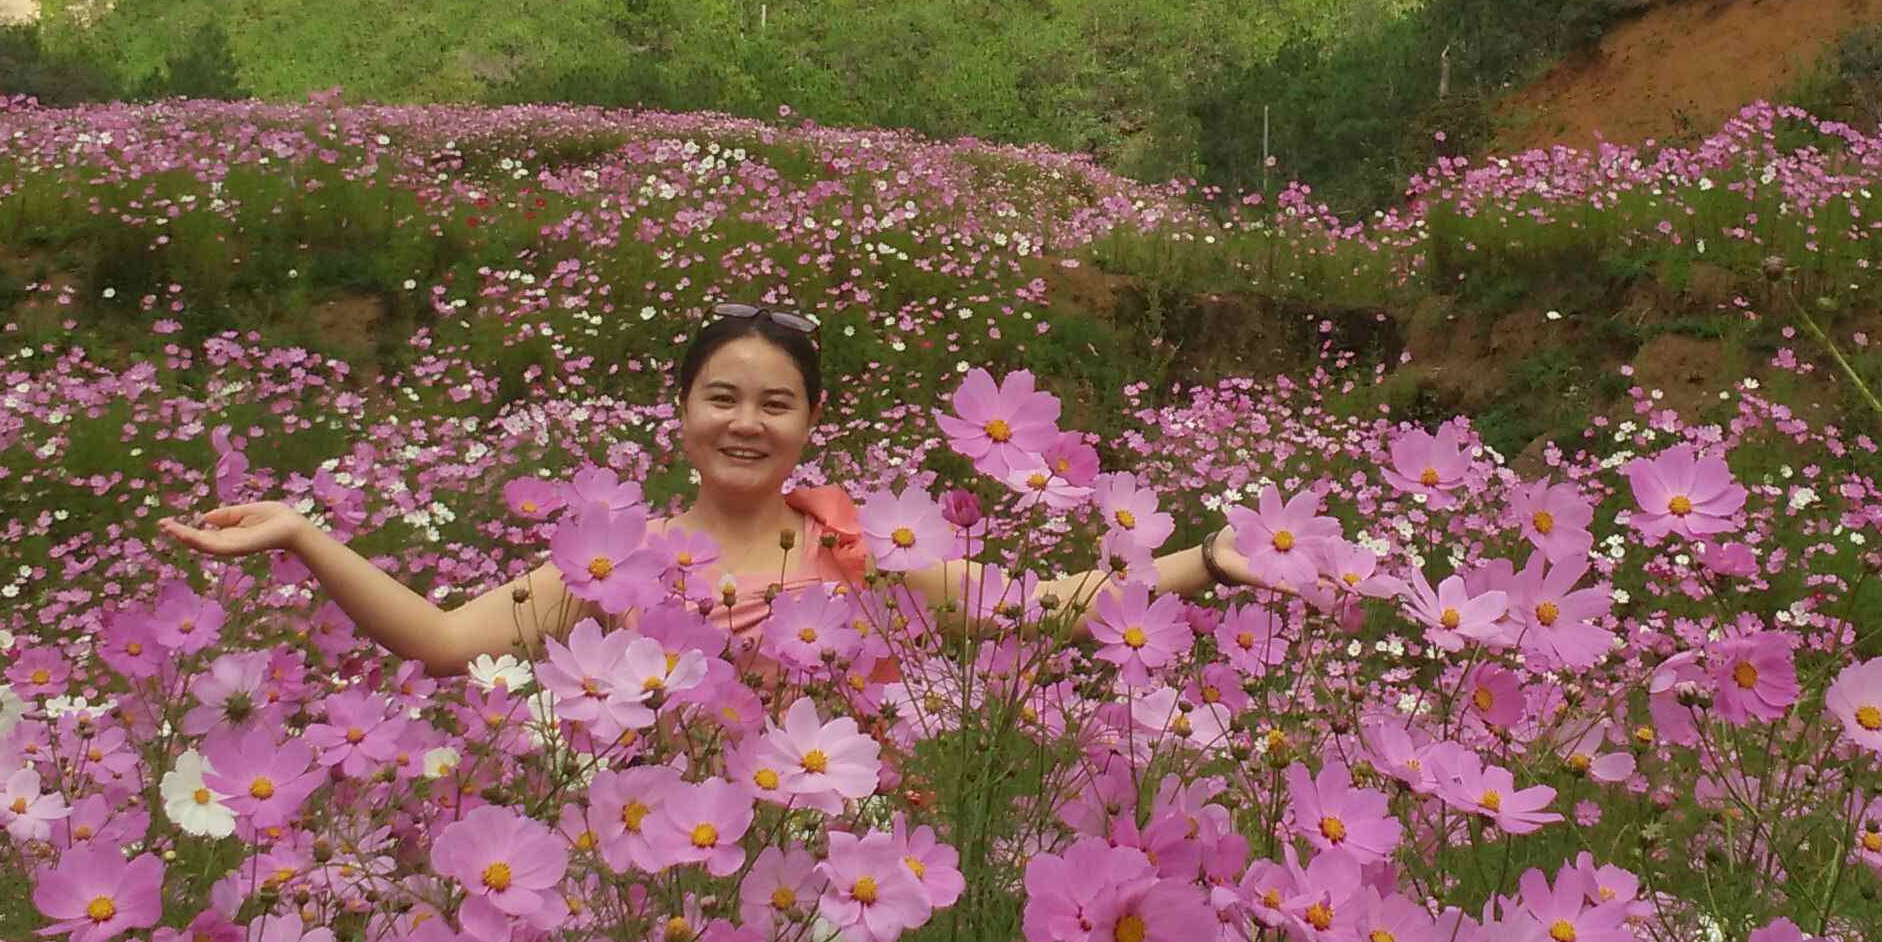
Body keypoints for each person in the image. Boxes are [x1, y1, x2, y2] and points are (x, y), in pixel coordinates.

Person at [159, 299, 1257, 673]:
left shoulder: (860, 549)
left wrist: (1205, 559)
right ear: (680, 409)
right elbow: (446, 644)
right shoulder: (614, 561)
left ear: (812, 422)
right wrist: (303, 534)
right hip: (667, 892)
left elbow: (1045, 605)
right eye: (721, 395)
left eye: (776, 403)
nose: (746, 421)